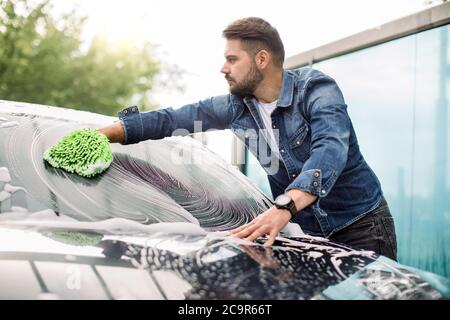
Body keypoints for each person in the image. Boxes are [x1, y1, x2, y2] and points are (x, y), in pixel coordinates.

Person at [98, 17, 397, 260]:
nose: (223, 68)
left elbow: (330, 150)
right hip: (308, 235)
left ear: (262, 59)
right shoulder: (236, 106)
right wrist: (104, 133)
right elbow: (173, 119)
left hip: (362, 227)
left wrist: (284, 208)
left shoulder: (316, 89)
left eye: (232, 59)